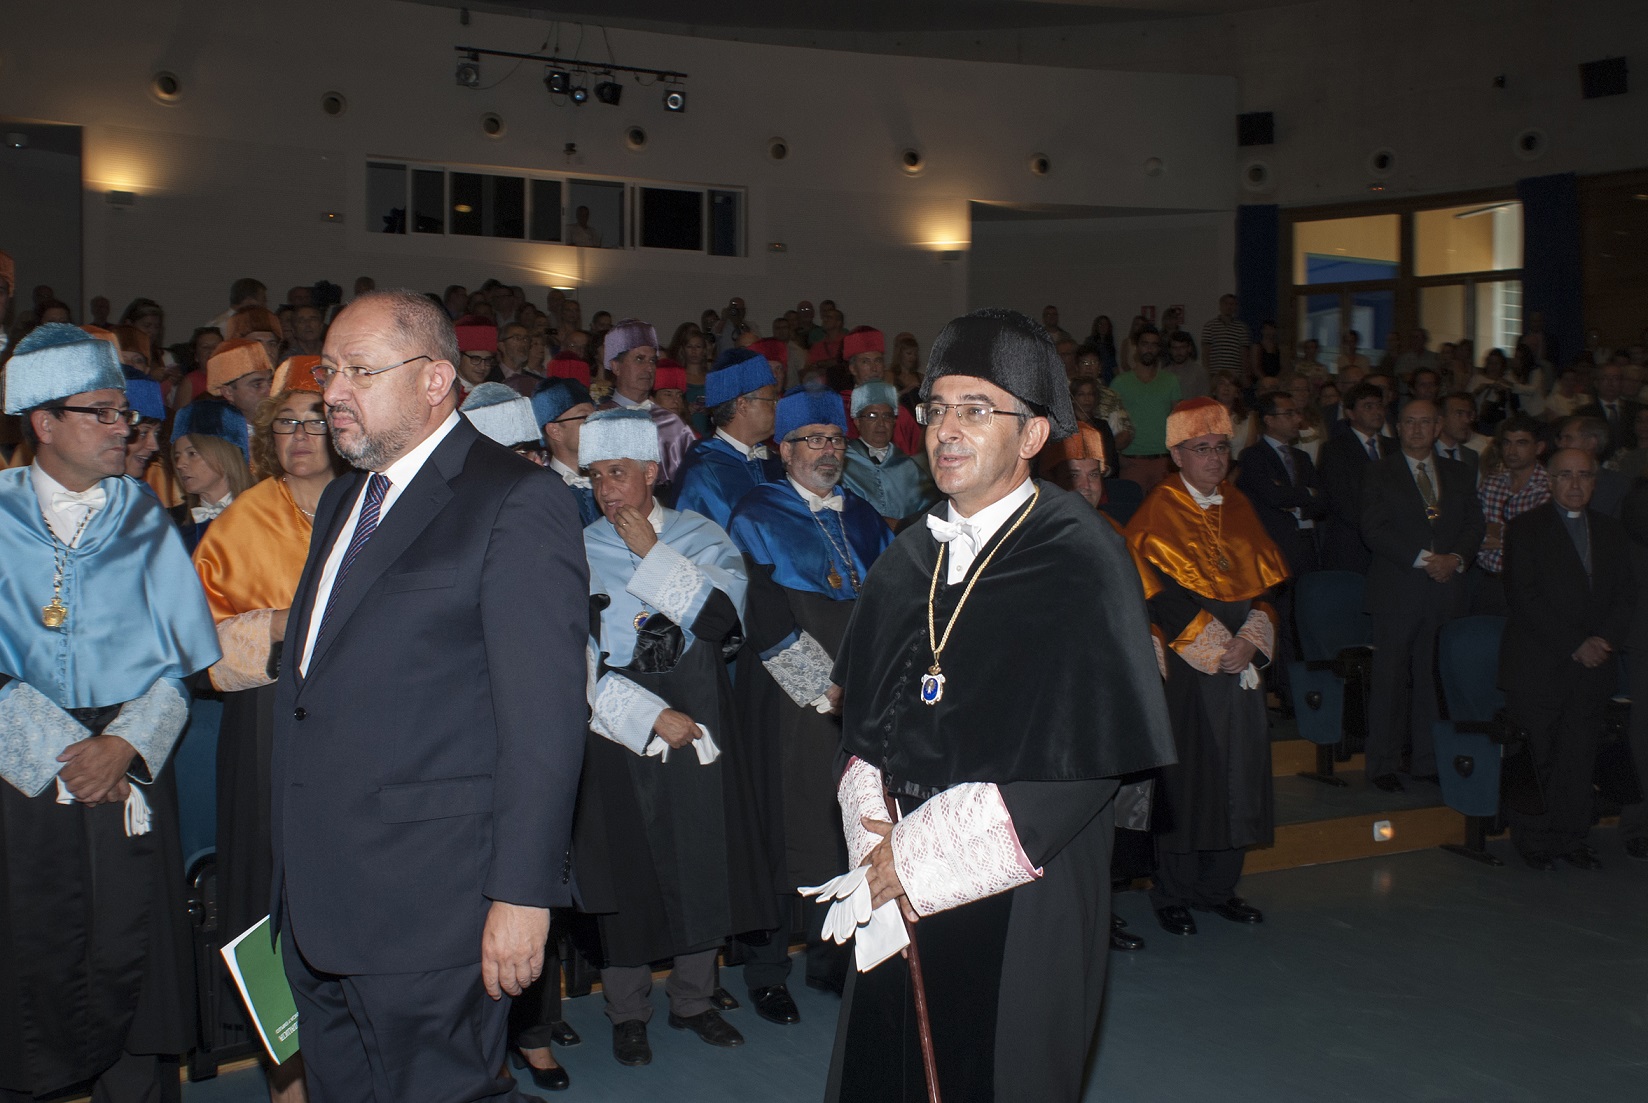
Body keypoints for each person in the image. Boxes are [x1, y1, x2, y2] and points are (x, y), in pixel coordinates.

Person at [824, 308, 1175, 1103]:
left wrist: (917, 857)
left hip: (1022, 887)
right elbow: (861, 724)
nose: (947, 429)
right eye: (936, 408)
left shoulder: (1084, 556)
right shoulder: (907, 555)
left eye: (977, 410)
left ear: (1032, 434)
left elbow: (1089, 759)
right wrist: (872, 829)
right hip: (893, 874)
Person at [270, 290, 589, 1103]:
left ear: (436, 379)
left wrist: (522, 892)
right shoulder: (346, 497)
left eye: (360, 371)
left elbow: (545, 724)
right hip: (321, 893)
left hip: (435, 901)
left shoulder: (515, 499)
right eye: (327, 371)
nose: (333, 392)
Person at [0, 323, 221, 1101]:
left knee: (137, 958)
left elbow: (182, 662)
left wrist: (122, 744)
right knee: (30, 958)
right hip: (23, 778)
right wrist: (68, 755)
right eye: (101, 411)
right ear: (44, 421)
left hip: (131, 773)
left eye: (123, 411)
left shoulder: (144, 516)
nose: (123, 426)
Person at [574, 408, 775, 1068]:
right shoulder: (575, 549)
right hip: (616, 726)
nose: (606, 489)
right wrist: (644, 714)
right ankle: (628, 1011)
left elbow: (721, 622)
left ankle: (693, 999)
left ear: (651, 472)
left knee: (701, 859)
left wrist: (651, 554)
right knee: (625, 871)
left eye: (619, 473)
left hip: (699, 710)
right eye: (596, 476)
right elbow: (569, 656)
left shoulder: (700, 535)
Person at [191, 366, 342, 1103]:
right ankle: (289, 1070)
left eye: (316, 419)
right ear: (266, 437)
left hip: (363, 723)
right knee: (270, 890)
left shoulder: (373, 507)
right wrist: (283, 623)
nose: (301, 434)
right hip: (266, 726)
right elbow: (196, 649)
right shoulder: (242, 522)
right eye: (287, 421)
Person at [725, 390, 893, 1013]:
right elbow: (758, 605)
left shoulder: (866, 516)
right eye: (813, 440)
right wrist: (822, 685)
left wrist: (870, 679)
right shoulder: (756, 511)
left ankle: (832, 958)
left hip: (859, 695)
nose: (827, 451)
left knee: (846, 823)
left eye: (835, 440)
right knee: (782, 825)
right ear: (785, 450)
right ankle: (767, 970)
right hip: (787, 698)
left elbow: (890, 602)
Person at [1127, 397, 1287, 936]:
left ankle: (1220, 887)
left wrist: (1252, 638)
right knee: (1188, 778)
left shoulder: (1239, 505)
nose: (1214, 458)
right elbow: (1154, 595)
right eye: (1201, 449)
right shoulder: (1157, 510)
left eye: (1221, 448)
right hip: (1187, 665)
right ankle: (1173, 890)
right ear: (1176, 455)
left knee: (1239, 774)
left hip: (1239, 666)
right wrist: (1217, 645)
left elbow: (1265, 585)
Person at [1037, 421, 1159, 951]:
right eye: (1074, 474)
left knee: (1103, 815)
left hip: (1107, 700)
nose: (1085, 486)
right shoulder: (1032, 534)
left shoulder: (1113, 532)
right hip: (1055, 704)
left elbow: (1142, 607)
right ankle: (1064, 924)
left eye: (1093, 475)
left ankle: (1098, 915)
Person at [1500, 448, 1631, 870]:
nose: (1575, 484)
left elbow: (1625, 595)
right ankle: (1533, 839)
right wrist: (1577, 643)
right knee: (1537, 754)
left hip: (1593, 666)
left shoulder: (1611, 530)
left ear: (1595, 481)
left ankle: (1571, 837)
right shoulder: (1525, 528)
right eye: (1566, 475)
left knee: (1579, 755)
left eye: (1584, 475)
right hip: (1540, 662)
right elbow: (1525, 597)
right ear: (1550, 481)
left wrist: (1604, 640)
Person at [1361, 398, 1485, 792]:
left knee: (1433, 678)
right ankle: (1382, 763)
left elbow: (1475, 524)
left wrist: (1456, 558)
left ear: (1437, 428)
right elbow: (1373, 529)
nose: (1417, 429)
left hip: (1446, 588)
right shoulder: (1379, 471)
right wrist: (1425, 559)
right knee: (1390, 680)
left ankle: (1427, 761)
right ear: (1398, 428)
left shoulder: (1460, 472)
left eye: (1425, 422)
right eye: (1409, 422)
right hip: (1398, 589)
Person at [673, 348, 783, 528]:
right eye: (772, 401)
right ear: (743, 405)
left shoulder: (771, 462)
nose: (778, 408)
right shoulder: (703, 473)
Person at [597, 319, 696, 495]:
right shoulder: (598, 420)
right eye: (639, 359)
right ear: (616, 366)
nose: (649, 368)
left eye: (652, 361)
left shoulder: (671, 424)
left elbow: (692, 486)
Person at [1471, 415, 1549, 615]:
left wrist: (1500, 537)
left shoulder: (1549, 488)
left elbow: (1538, 543)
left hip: (1528, 585)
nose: (1512, 451)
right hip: (1486, 580)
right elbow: (1474, 526)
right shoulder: (1492, 482)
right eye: (1507, 443)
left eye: (1521, 443)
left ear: (1539, 448)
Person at [1317, 381, 1394, 572]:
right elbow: (1341, 500)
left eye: (1379, 405)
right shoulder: (1335, 449)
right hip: (1351, 544)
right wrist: (1378, 528)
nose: (1377, 411)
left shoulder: (1395, 447)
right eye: (1368, 406)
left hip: (1391, 544)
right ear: (1350, 413)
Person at [840, 380, 939, 527]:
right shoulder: (842, 464)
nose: (881, 423)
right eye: (872, 416)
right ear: (857, 422)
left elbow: (931, 513)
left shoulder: (909, 467)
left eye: (887, 416)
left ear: (894, 422)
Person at [169, 398, 255, 552]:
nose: (180, 464)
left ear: (224, 455)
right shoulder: (172, 524)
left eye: (192, 453)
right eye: (177, 456)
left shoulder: (262, 515)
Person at [1110, 325, 1181, 492]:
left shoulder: (1171, 381)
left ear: (1159, 349)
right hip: (1131, 460)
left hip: (1163, 460)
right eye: (1145, 344)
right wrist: (1116, 454)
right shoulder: (1120, 383)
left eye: (1154, 345)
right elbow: (1110, 424)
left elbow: (1178, 421)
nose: (1149, 349)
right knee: (1132, 507)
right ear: (1136, 347)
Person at [533, 377, 601, 526]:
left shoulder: (610, 479)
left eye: (596, 416)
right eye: (585, 418)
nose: (597, 425)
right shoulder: (543, 490)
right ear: (555, 431)